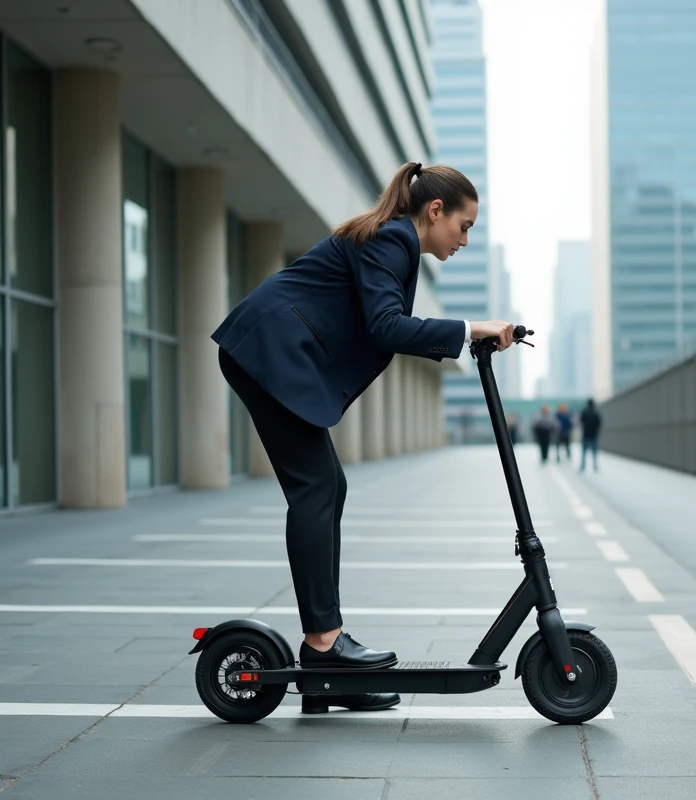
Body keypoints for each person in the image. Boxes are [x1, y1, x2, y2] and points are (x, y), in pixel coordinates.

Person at [212, 161, 516, 713]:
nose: (465, 240)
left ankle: (325, 651)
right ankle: (324, 645)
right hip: (268, 350)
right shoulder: (392, 240)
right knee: (316, 489)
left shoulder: (394, 241)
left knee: (328, 487)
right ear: (435, 211)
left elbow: (381, 324)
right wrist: (470, 328)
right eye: (464, 226)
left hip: (274, 352)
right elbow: (386, 326)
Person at [579, 398, 602, 472]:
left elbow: (581, 421)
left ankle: (583, 466)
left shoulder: (584, 412)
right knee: (594, 453)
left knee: (584, 453)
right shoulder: (596, 413)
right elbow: (599, 424)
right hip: (593, 435)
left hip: (585, 434)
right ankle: (595, 466)